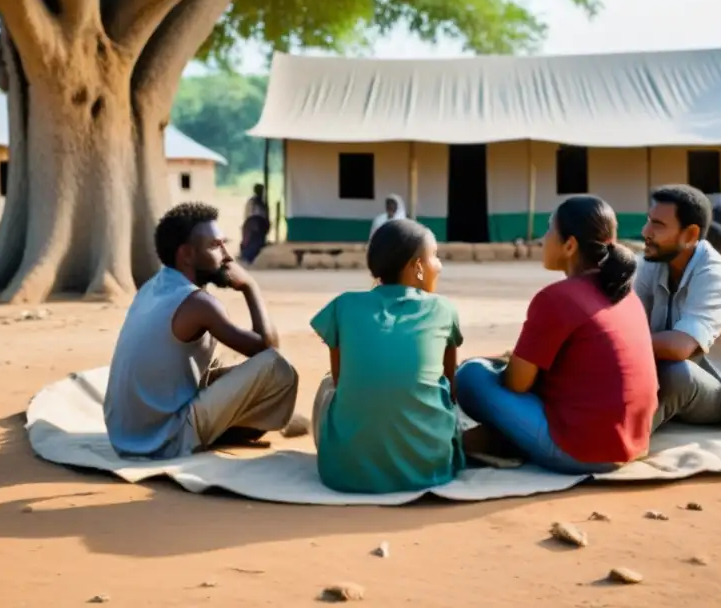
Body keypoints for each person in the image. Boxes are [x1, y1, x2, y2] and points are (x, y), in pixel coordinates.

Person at [454, 195, 658, 474]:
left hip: (582, 452)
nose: (543, 239)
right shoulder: (625, 293)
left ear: (570, 245)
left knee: (471, 375)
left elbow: (516, 384)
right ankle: (505, 438)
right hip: (634, 441)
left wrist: (509, 364)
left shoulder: (557, 298)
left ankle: (507, 439)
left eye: (550, 229)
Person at [104, 202, 299, 459]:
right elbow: (268, 350)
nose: (227, 256)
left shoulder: (153, 286)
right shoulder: (198, 303)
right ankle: (219, 433)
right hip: (162, 441)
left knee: (218, 365)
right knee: (279, 369)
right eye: (216, 246)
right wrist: (250, 287)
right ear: (186, 255)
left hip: (122, 434)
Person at [309, 218, 465, 494]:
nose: (439, 266)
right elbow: (450, 388)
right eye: (435, 257)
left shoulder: (344, 305)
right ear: (417, 267)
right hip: (429, 470)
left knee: (328, 385)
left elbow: (340, 378)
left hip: (344, 472)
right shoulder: (443, 309)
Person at [635, 184, 721, 433]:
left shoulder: (717, 275)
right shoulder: (654, 262)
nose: (645, 231)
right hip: (683, 371)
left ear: (690, 235)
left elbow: (680, 348)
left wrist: (613, 343)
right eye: (649, 221)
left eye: (657, 225)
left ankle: (621, 441)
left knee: (674, 374)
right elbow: (629, 322)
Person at [240, 183, 270, 263]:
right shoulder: (258, 202)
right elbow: (263, 215)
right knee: (255, 242)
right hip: (256, 223)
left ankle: (247, 259)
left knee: (251, 241)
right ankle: (247, 258)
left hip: (251, 222)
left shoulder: (252, 201)